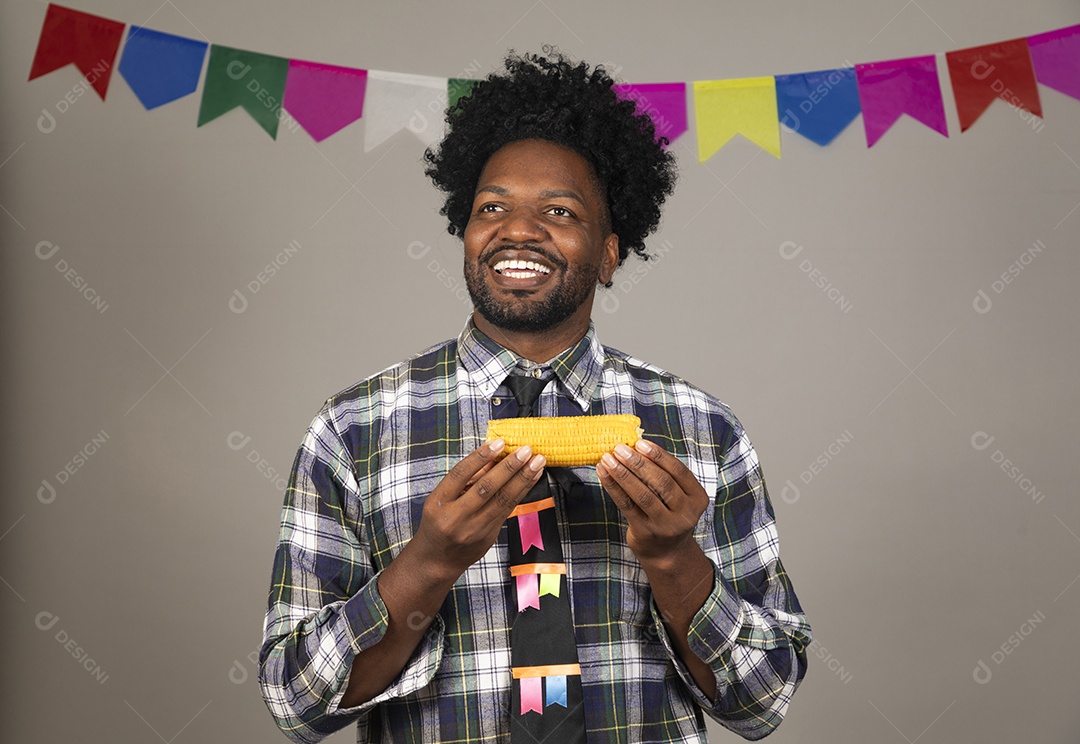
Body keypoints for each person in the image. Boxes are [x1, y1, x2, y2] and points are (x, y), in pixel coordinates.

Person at [259, 50, 811, 744]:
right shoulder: (352, 430)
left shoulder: (702, 431)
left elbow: (763, 703)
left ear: (609, 255)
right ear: (466, 234)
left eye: (558, 210)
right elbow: (294, 703)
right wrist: (426, 564)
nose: (518, 229)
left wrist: (676, 563)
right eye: (493, 207)